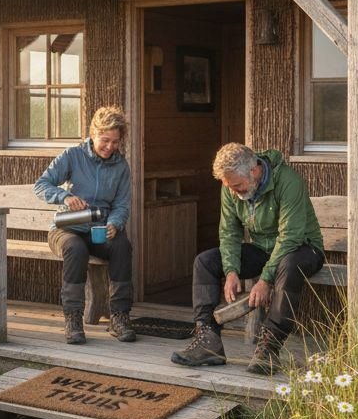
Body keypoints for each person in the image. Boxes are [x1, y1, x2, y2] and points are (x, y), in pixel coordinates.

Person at [171, 143, 324, 374]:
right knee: (205, 261)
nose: (233, 192)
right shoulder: (231, 185)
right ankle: (208, 341)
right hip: (263, 249)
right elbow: (229, 232)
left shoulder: (289, 182)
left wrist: (265, 280)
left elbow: (290, 237)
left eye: (237, 186)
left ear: (254, 171)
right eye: (229, 187)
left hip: (303, 249)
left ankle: (269, 349)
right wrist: (231, 270)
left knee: (288, 264)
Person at [33, 106, 136, 345]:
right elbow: (41, 185)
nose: (110, 147)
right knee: (76, 249)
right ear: (93, 134)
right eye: (105, 140)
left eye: (115, 142)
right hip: (65, 230)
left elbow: (122, 205)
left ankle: (119, 317)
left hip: (99, 230)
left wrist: (114, 224)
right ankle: (73, 319)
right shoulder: (73, 156)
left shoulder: (121, 166)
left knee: (122, 246)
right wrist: (65, 197)